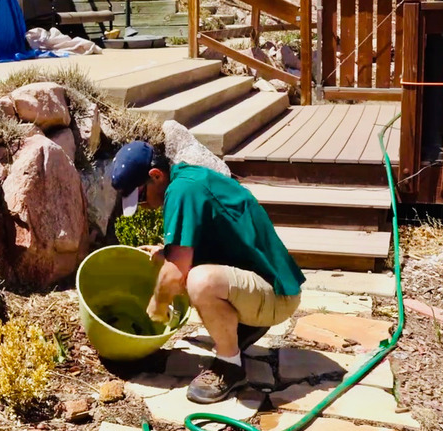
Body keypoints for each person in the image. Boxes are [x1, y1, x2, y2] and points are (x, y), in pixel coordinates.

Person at [110, 140, 305, 404]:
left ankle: (230, 367)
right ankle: (243, 327)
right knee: (178, 268)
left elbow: (177, 272)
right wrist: (166, 254)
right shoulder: (187, 180)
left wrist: (157, 304)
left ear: (156, 176)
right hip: (262, 282)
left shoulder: (182, 191)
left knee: (198, 282)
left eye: (140, 197)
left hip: (277, 296)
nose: (142, 206)